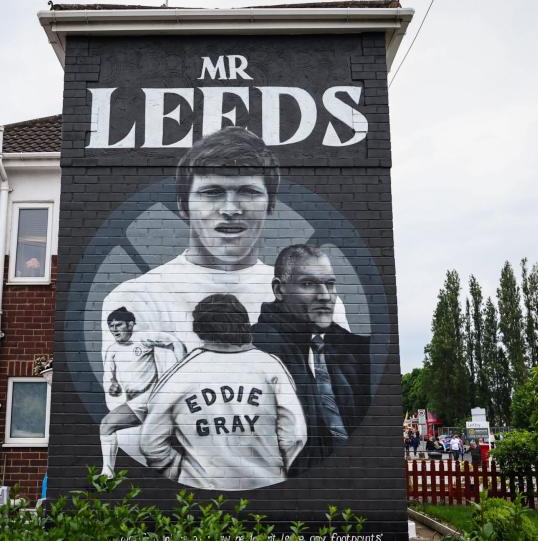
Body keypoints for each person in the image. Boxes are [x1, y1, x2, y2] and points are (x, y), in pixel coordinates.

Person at [99, 126, 348, 362]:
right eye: (212, 192)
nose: (231, 209)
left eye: (249, 192)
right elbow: (136, 403)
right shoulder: (134, 299)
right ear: (183, 205)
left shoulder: (316, 298)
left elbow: (339, 395)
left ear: (271, 204)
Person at [139, 294, 307, 490]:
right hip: (266, 486)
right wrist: (276, 467)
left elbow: (150, 443)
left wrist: (180, 470)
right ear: (243, 324)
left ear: (199, 329)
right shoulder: (270, 366)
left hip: (203, 495)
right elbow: (294, 435)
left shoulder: (179, 375)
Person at [252, 244, 370, 474]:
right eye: (308, 284)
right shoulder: (258, 349)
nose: (325, 296)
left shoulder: (350, 349)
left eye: (330, 284)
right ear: (279, 289)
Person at [98, 307, 185, 477]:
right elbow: (110, 379)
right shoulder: (112, 351)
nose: (114, 329)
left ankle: (107, 473)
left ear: (130, 325)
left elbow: (173, 342)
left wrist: (180, 367)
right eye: (111, 325)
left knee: (107, 425)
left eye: (118, 324)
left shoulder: (143, 339)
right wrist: (112, 387)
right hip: (135, 402)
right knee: (154, 446)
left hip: (151, 397)